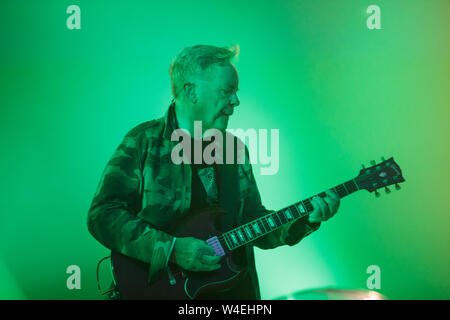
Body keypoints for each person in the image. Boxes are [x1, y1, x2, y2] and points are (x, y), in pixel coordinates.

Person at [87, 44, 340, 299]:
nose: (236, 101)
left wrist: (307, 218)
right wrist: (171, 250)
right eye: (227, 91)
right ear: (191, 91)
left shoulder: (233, 149)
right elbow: (102, 215)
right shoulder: (143, 142)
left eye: (236, 92)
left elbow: (254, 223)